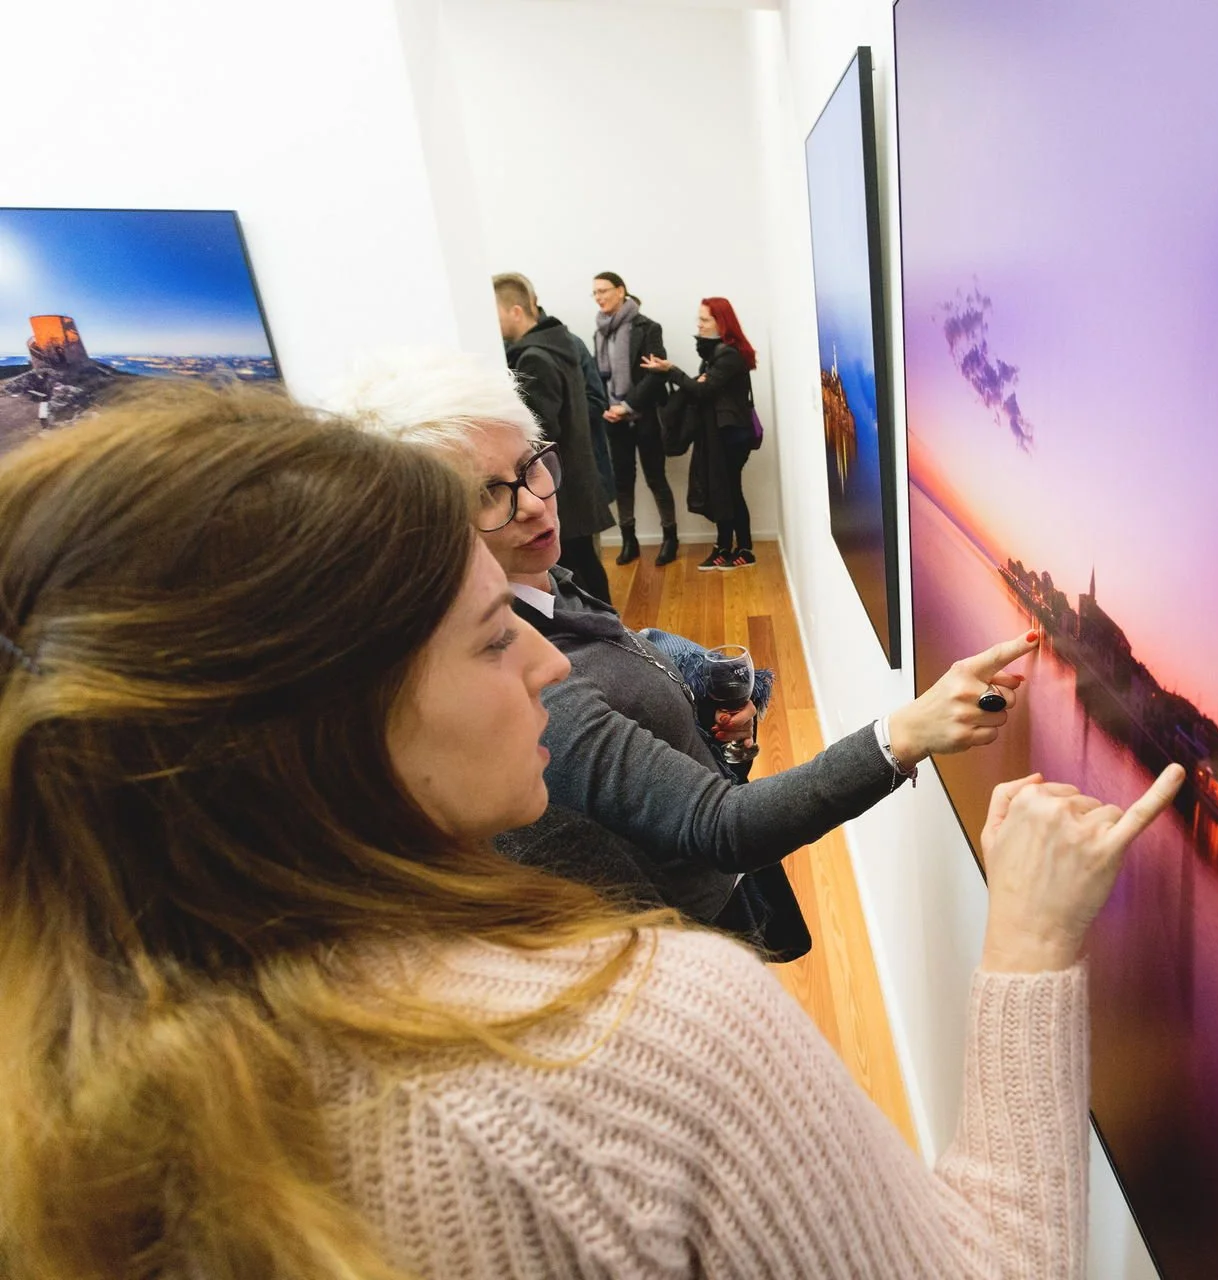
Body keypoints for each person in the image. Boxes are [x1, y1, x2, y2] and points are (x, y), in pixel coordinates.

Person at [0, 381, 1185, 1278]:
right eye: (485, 637)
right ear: (325, 729)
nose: (545, 656)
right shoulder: (626, 1046)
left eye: (537, 471)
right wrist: (1030, 942)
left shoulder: (83, 1085)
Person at [328, 351, 1039, 962]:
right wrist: (905, 734)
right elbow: (722, 826)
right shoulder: (523, 683)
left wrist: (700, 724)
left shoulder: (543, 581)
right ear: (422, 529)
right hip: (683, 928)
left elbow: (623, 670)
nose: (537, 506)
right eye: (489, 494)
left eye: (531, 467)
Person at [494, 272, 615, 602]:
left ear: (516, 311)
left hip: (562, 484)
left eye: (497, 312)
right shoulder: (559, 344)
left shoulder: (534, 357)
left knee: (577, 575)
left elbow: (539, 434)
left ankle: (608, 637)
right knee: (586, 567)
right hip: (576, 479)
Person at [645, 296, 757, 571]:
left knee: (729, 491)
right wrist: (696, 381)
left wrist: (673, 370)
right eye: (700, 319)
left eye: (705, 320)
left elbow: (704, 391)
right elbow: (701, 388)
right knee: (723, 491)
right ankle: (724, 547)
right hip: (721, 434)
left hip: (732, 435)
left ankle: (743, 550)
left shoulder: (728, 355)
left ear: (722, 322)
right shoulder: (715, 355)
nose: (700, 325)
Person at [499, 270, 618, 500]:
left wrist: (571, 421)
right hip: (561, 475)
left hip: (568, 474)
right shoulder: (513, 350)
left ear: (519, 309)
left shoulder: (556, 348)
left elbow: (594, 400)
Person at [591, 271, 679, 567]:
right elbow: (599, 377)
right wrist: (606, 406)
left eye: (604, 290)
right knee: (622, 480)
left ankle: (670, 538)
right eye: (595, 293)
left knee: (656, 477)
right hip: (614, 418)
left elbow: (656, 374)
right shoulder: (600, 331)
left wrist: (627, 405)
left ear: (621, 291)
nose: (599, 297)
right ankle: (629, 540)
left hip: (645, 416)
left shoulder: (647, 328)